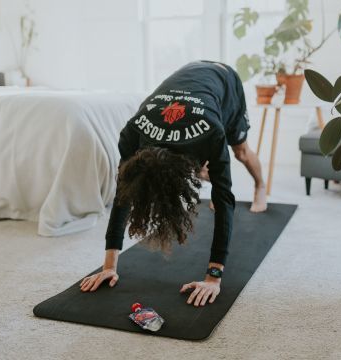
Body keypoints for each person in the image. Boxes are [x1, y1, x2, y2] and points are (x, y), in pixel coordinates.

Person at [80, 61, 266, 307]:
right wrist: (109, 266)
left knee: (241, 152)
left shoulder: (212, 132)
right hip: (188, 84)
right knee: (202, 168)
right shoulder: (132, 133)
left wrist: (214, 278)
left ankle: (260, 186)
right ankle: (202, 170)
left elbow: (224, 200)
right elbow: (123, 195)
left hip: (223, 80)